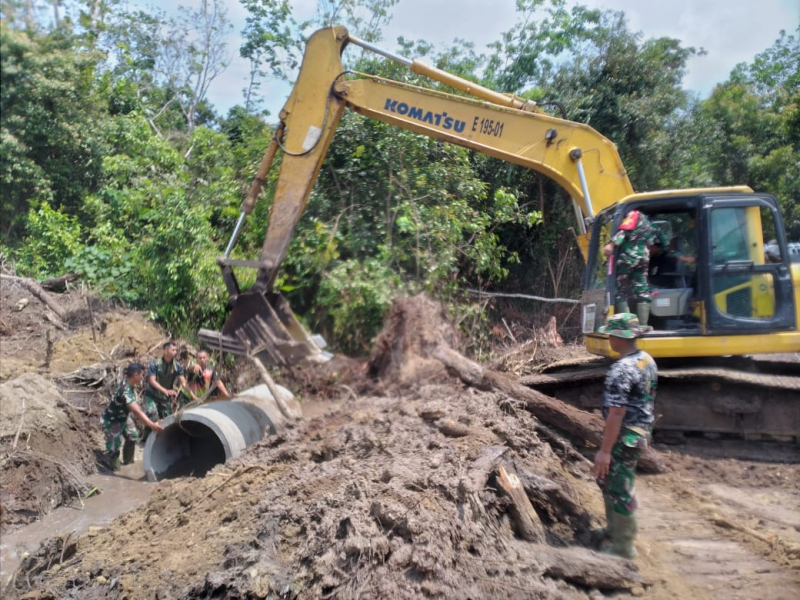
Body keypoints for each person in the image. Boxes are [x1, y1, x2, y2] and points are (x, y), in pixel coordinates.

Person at [592, 313, 657, 559]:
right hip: (640, 432)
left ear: (618, 337)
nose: (608, 338)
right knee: (609, 481)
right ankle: (614, 530)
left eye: (610, 334)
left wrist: (605, 451)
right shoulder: (646, 360)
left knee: (620, 487)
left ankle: (623, 547)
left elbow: (617, 414)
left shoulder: (621, 370)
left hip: (624, 437)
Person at [101, 363, 164, 470]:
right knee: (114, 449)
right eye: (142, 374)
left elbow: (136, 407)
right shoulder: (125, 389)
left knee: (132, 437)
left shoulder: (129, 386)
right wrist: (152, 425)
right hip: (112, 421)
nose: (142, 377)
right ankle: (114, 469)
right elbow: (136, 411)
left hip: (123, 418)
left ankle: (128, 464)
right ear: (136, 375)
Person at [603, 210, 656, 328]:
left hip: (628, 258)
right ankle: (643, 325)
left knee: (621, 291)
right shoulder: (650, 224)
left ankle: (628, 325)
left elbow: (624, 231)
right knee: (642, 290)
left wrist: (611, 244)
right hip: (643, 259)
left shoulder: (634, 215)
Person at [143, 340, 195, 421]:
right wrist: (165, 390)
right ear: (166, 351)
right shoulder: (155, 364)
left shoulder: (177, 366)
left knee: (168, 421)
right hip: (151, 396)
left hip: (164, 398)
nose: (175, 352)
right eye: (173, 350)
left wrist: (193, 396)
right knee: (153, 419)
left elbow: (184, 383)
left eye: (176, 350)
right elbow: (152, 381)